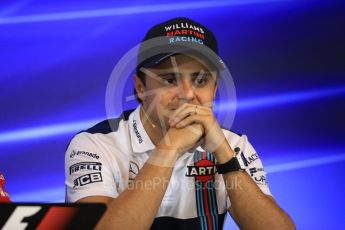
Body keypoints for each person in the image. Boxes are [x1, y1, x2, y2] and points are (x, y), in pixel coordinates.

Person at [65, 17, 295, 229]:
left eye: (201, 80)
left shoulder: (234, 146)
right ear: (140, 88)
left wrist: (225, 156)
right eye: (169, 80)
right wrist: (169, 149)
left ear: (214, 90)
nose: (187, 94)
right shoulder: (94, 145)